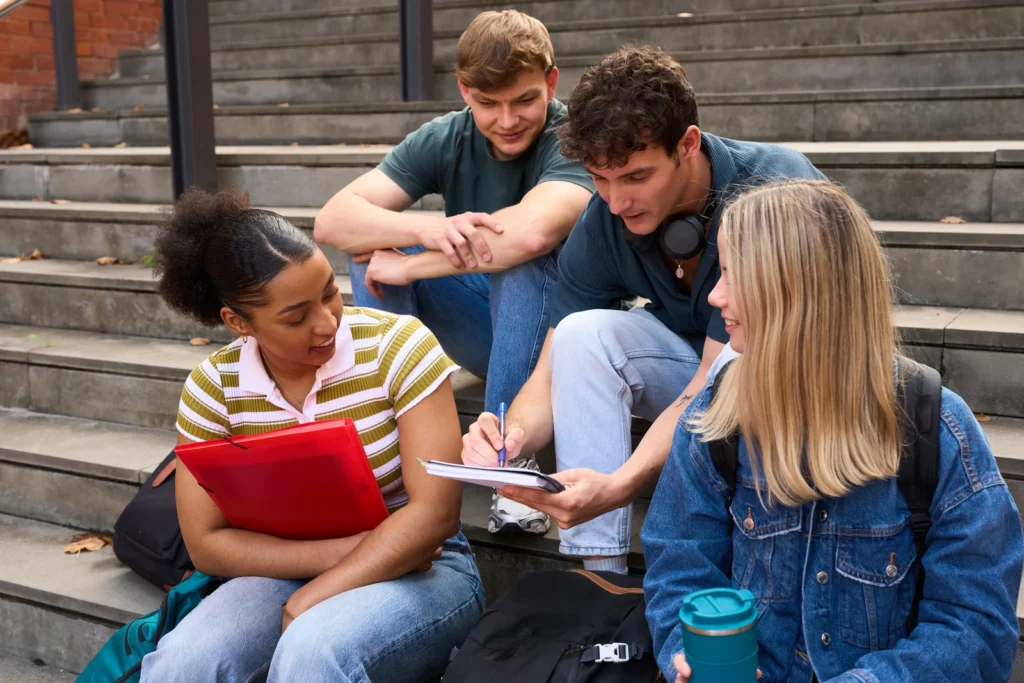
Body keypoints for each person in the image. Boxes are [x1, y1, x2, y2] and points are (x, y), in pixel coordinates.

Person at [461, 45, 825, 574]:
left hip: (797, 384)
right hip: (703, 372)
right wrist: (506, 441)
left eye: (635, 177)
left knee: (731, 360)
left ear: (688, 144)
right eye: (599, 178)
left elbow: (712, 380)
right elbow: (548, 372)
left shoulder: (772, 192)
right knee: (580, 335)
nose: (616, 202)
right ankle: (599, 580)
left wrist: (620, 484)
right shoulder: (605, 217)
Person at [642, 180, 1024, 683]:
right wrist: (686, 654)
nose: (715, 295)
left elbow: (976, 627)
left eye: (733, 275)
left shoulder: (936, 429)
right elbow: (678, 566)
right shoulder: (717, 418)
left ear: (796, 294)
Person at [140, 188, 485, 683]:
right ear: (238, 323)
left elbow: (434, 516)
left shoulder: (397, 346)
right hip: (282, 569)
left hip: (427, 566)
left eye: (329, 292)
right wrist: (340, 561)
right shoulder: (213, 386)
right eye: (296, 317)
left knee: (313, 651)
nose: (326, 324)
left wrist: (317, 595)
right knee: (183, 664)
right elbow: (207, 545)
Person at [315, 9, 594, 535]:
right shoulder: (446, 137)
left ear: (552, 82)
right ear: (465, 91)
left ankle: (512, 464)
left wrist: (414, 265)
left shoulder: (575, 136)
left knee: (522, 262)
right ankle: (395, 449)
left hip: (569, 342)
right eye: (488, 103)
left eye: (524, 100)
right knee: (372, 248)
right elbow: (333, 221)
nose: (507, 120)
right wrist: (425, 229)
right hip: (490, 331)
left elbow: (531, 235)